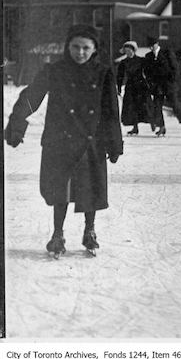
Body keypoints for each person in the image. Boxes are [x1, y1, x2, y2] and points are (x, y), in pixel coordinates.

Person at [4, 24, 123, 257]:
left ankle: (90, 230)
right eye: (75, 47)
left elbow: (111, 110)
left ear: (94, 49)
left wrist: (114, 142)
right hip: (60, 140)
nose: (80, 53)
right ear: (67, 47)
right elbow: (31, 96)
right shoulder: (54, 70)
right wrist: (17, 123)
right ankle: (57, 234)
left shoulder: (103, 72)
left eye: (86, 48)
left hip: (91, 140)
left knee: (91, 188)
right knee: (61, 190)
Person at [144, 38, 181, 136]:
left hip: (168, 84)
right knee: (157, 106)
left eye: (153, 45)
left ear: (157, 44)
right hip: (157, 86)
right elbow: (147, 72)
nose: (151, 48)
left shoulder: (166, 53)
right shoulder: (148, 56)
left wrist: (172, 81)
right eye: (150, 46)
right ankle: (161, 127)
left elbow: (175, 68)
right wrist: (151, 83)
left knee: (175, 105)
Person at [116, 40, 154, 135]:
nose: (128, 53)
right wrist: (119, 87)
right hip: (130, 86)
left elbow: (149, 72)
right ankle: (135, 127)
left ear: (133, 50)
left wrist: (151, 83)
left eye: (129, 51)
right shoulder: (123, 62)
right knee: (132, 107)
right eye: (126, 51)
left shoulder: (141, 60)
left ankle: (152, 123)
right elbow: (120, 76)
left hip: (141, 86)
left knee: (145, 105)